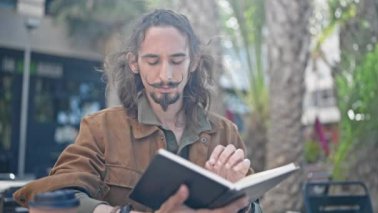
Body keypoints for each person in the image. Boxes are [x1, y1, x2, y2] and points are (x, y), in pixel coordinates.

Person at [14, 9, 262, 213]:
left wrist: (242, 206)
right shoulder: (102, 128)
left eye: (177, 61)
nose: (166, 75)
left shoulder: (225, 133)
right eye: (153, 61)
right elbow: (54, 196)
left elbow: (256, 207)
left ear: (194, 61)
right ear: (134, 63)